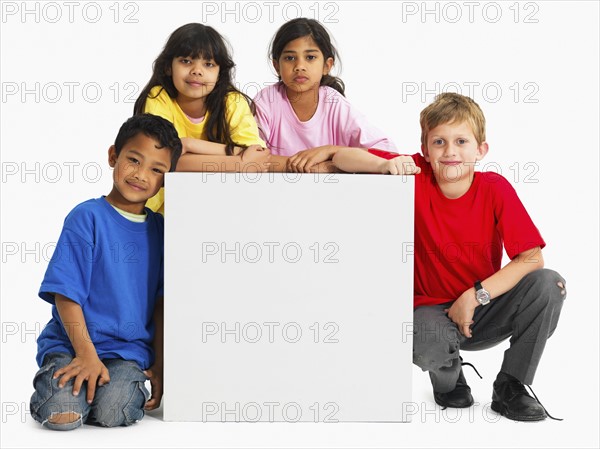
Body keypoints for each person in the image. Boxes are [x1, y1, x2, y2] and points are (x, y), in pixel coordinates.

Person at [332, 92, 566, 421]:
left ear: (481, 150)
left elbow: (531, 259)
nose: (450, 151)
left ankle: (511, 385)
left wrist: (474, 296)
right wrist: (385, 164)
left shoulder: (493, 189)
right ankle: (448, 377)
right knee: (430, 341)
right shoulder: (414, 175)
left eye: (461, 141)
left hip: (482, 308)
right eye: (439, 142)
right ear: (425, 150)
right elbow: (343, 157)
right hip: (429, 310)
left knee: (548, 284)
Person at [30, 114, 182, 430]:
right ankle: (67, 387)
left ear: (165, 181)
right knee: (62, 416)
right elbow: (65, 293)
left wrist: (162, 365)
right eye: (134, 160)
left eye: (157, 170)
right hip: (72, 347)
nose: (141, 175)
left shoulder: (161, 230)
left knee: (114, 412)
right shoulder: (86, 217)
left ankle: (101, 391)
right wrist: (86, 355)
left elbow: (160, 305)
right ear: (114, 155)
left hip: (126, 354)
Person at [134, 23, 270, 214]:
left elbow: (257, 156)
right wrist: (238, 162)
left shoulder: (232, 102)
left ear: (219, 73)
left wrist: (188, 145)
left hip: (221, 205)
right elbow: (162, 160)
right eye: (186, 61)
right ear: (168, 67)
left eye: (208, 64)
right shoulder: (159, 97)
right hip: (162, 208)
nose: (197, 71)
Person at [253, 18, 397, 173]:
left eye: (310, 57)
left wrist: (331, 151)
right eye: (290, 58)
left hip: (331, 195)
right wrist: (311, 166)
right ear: (276, 66)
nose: (299, 66)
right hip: (275, 193)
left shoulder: (334, 104)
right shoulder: (267, 101)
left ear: (327, 66)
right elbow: (251, 158)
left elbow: (387, 152)